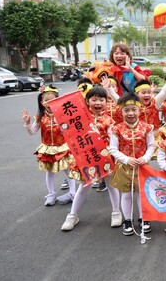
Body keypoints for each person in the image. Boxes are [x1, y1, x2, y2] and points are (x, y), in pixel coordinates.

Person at [61, 86, 122, 231]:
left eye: (101, 100)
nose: (98, 103)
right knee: (83, 187)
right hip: (86, 158)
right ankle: (72, 215)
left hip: (105, 158)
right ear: (87, 101)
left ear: (107, 102)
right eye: (94, 99)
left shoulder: (109, 120)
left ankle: (116, 212)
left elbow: (113, 139)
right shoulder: (80, 117)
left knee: (111, 186)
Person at [108, 92, 155, 236]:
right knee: (126, 194)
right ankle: (127, 220)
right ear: (121, 111)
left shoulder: (147, 128)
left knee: (142, 194)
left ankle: (143, 218)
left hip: (142, 166)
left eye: (134, 109)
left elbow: (152, 146)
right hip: (124, 167)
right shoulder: (116, 129)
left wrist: (145, 158)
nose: (130, 113)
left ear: (139, 110)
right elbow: (113, 149)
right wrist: (126, 159)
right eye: (126, 110)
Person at [21, 86, 77, 206]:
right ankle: (51, 194)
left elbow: (71, 128)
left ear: (58, 99)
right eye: (46, 100)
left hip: (63, 147)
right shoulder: (40, 117)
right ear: (42, 103)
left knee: (68, 170)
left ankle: (73, 193)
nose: (49, 102)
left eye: (52, 99)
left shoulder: (63, 114)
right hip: (47, 148)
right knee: (49, 172)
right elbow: (32, 132)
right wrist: (27, 123)